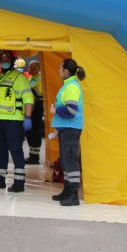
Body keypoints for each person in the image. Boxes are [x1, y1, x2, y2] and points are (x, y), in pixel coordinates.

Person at [0, 50, 34, 192]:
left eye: (6, 58)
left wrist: (28, 117)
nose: (4, 61)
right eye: (1, 59)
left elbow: (28, 98)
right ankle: (0, 180)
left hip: (14, 120)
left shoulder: (19, 78)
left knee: (15, 150)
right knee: (0, 150)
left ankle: (19, 183)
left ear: (12, 60)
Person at [50, 59, 85, 206]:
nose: (58, 71)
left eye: (60, 68)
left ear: (66, 71)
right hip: (66, 128)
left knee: (70, 161)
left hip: (71, 129)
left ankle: (73, 195)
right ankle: (67, 191)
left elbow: (71, 110)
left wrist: (55, 110)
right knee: (65, 161)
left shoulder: (71, 87)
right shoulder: (68, 85)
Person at [25, 60, 44, 165]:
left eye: (32, 68)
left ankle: (35, 156)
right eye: (29, 68)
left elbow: (37, 93)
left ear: (38, 69)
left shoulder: (40, 80)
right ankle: (32, 154)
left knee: (36, 131)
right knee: (29, 132)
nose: (30, 70)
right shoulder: (31, 78)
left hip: (36, 108)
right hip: (30, 108)